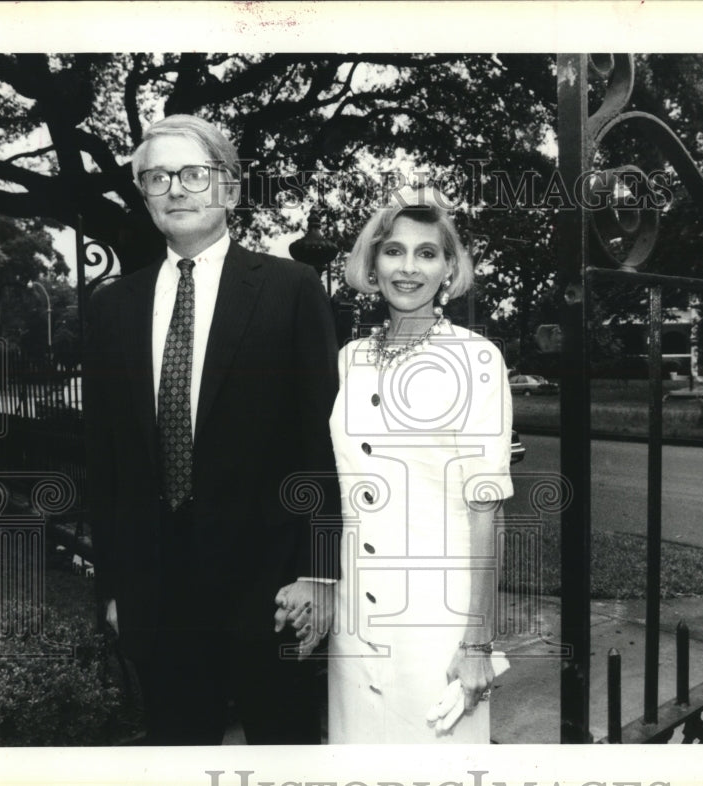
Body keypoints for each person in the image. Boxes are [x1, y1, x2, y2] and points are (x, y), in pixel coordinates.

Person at [83, 114, 340, 745]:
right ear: (143, 196)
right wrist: (115, 587)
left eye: (193, 173)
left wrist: (319, 571)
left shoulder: (290, 289)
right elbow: (106, 459)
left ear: (229, 188)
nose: (176, 188)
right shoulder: (113, 307)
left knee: (288, 752)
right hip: (156, 596)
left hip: (273, 588)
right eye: (157, 177)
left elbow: (319, 440)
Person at [325, 187, 514, 743]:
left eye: (427, 253)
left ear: (449, 269)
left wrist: (477, 643)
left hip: (438, 619)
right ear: (372, 263)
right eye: (393, 251)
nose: (408, 268)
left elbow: (487, 509)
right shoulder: (349, 359)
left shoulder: (476, 358)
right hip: (354, 616)